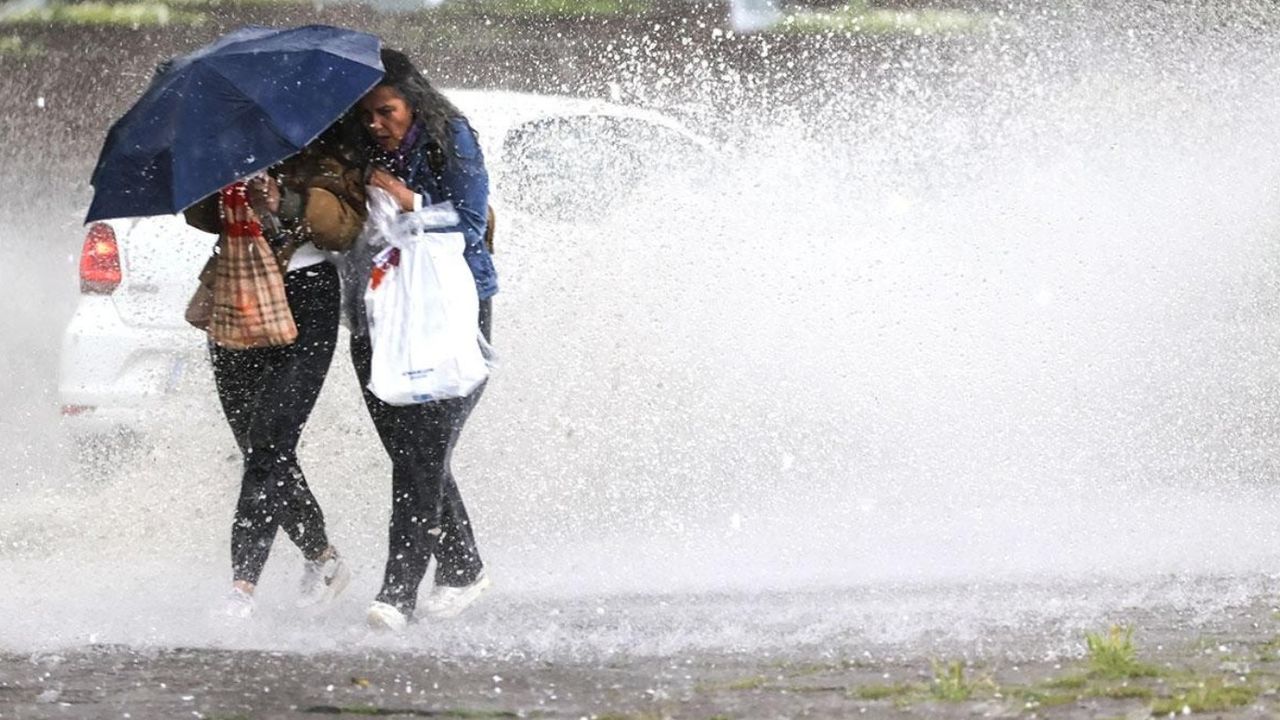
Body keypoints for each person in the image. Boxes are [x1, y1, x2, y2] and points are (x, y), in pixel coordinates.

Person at [184, 121, 368, 618]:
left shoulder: (330, 145)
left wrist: (283, 199)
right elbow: (196, 214)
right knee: (257, 447)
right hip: (237, 290)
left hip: (308, 298)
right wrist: (218, 181)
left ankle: (242, 586)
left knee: (270, 441)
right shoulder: (227, 142)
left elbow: (346, 227)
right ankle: (324, 558)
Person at [346, 48, 498, 632]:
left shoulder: (450, 135)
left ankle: (397, 593)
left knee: (423, 452)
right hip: (379, 312)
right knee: (411, 453)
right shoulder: (357, 152)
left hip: (450, 309)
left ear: (414, 101)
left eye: (386, 111)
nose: (376, 125)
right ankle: (462, 568)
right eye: (366, 116)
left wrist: (407, 201)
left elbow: (471, 216)